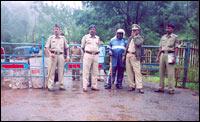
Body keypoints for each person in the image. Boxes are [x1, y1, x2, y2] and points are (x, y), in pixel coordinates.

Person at [155, 23, 179, 94]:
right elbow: (160, 47)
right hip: (162, 54)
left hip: (170, 54)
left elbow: (176, 47)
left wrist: (175, 57)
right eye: (167, 28)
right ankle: (161, 88)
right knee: (161, 72)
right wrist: (157, 56)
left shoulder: (175, 37)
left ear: (172, 29)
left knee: (170, 72)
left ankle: (171, 89)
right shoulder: (163, 37)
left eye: (169, 28)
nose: (167, 29)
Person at [45, 24, 69, 91]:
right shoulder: (51, 38)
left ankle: (61, 85)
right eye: (55, 29)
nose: (56, 30)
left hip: (61, 55)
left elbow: (67, 48)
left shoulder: (63, 38)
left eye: (57, 29)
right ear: (53, 30)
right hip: (53, 55)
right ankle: (50, 86)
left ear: (60, 30)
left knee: (61, 71)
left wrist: (68, 56)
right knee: (51, 71)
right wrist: (50, 54)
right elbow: (46, 48)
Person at [81, 24, 101, 92]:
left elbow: (98, 46)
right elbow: (82, 47)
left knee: (95, 71)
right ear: (89, 30)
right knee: (86, 71)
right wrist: (86, 53)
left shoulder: (97, 38)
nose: (92, 30)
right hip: (87, 54)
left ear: (95, 31)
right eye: (91, 29)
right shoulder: (85, 37)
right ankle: (85, 86)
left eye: (94, 29)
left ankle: (94, 86)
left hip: (95, 55)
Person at [125, 24, 144, 94]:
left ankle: (139, 87)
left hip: (135, 56)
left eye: (135, 30)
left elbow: (138, 43)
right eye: (133, 30)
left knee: (137, 72)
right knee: (129, 71)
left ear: (138, 31)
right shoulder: (130, 38)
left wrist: (134, 37)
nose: (133, 31)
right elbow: (127, 46)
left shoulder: (140, 38)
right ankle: (131, 85)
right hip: (128, 55)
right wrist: (124, 55)